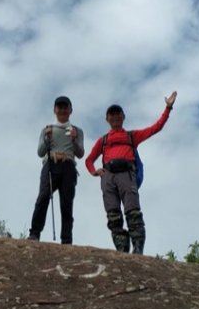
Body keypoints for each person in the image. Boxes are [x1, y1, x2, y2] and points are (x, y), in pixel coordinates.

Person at [85, 92, 177, 255]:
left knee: (132, 211)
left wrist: (168, 107)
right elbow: (89, 160)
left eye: (117, 114)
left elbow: (156, 127)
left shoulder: (131, 136)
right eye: (111, 114)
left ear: (123, 116)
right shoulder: (103, 140)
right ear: (107, 119)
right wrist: (95, 172)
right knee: (113, 215)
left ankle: (138, 247)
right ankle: (122, 247)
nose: (114, 117)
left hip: (127, 175)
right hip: (108, 177)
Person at [28, 96, 85, 245]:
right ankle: (34, 233)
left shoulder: (77, 131)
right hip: (51, 164)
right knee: (43, 197)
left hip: (69, 165)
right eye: (59, 107)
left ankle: (66, 239)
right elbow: (40, 152)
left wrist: (74, 140)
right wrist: (47, 138)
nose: (62, 110)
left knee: (67, 203)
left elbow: (80, 153)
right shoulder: (47, 129)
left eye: (65, 107)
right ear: (55, 110)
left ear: (70, 110)